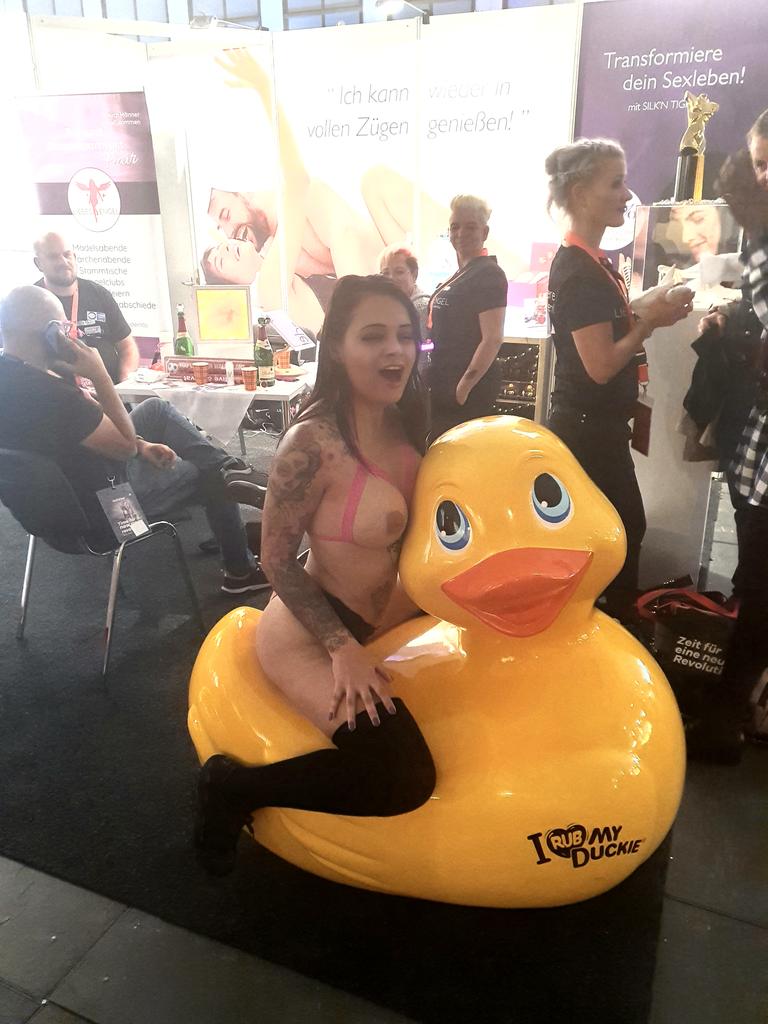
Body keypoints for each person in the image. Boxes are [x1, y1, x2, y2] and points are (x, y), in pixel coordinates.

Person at [193, 275, 436, 876]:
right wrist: (341, 648)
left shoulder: (410, 421)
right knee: (402, 776)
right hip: (310, 631)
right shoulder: (312, 443)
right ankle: (230, 789)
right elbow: (275, 560)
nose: (394, 350)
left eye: (405, 335)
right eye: (372, 336)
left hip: (387, 617)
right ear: (338, 349)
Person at [0, 286, 268, 596]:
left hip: (54, 510)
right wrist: (100, 375)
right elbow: (123, 447)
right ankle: (240, 570)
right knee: (207, 472)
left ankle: (232, 471)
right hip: (103, 512)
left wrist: (142, 444)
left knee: (155, 409)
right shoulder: (52, 396)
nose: (71, 336)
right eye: (65, 328)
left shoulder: (16, 377)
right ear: (52, 333)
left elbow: (96, 431)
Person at [544, 139, 692, 624]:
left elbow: (608, 323)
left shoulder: (587, 262)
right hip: (588, 432)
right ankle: (610, 634)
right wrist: (649, 323)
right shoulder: (580, 271)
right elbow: (601, 365)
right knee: (620, 534)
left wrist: (648, 308)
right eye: (615, 183)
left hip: (593, 427)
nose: (627, 195)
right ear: (581, 193)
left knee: (615, 534)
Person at [687, 146, 768, 762]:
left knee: (761, 586)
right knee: (755, 576)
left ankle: (729, 715)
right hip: (754, 450)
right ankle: (737, 710)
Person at [426, 195, 507, 440]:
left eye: (470, 227)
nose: (461, 233)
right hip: (444, 383)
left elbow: (492, 339)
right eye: (455, 226)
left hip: (466, 390)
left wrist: (463, 388)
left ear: (485, 232)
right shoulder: (461, 274)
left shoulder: (489, 274)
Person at [33, 232, 139, 384]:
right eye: (53, 257)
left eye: (67, 254)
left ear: (74, 257)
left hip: (109, 392)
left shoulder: (99, 294)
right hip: (57, 396)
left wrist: (125, 383)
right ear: (38, 263)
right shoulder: (29, 302)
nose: (63, 261)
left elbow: (127, 347)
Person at [378, 243, 430, 369]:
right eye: (386, 273)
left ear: (414, 274)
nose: (391, 278)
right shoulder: (387, 306)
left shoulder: (421, 307)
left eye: (399, 272)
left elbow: (422, 356)